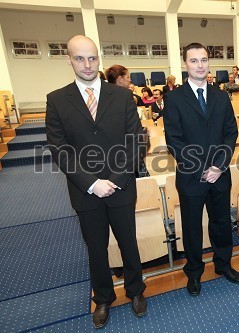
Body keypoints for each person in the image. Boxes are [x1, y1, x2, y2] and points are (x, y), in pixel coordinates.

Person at [45, 35, 146, 329]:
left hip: (121, 185)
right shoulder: (57, 99)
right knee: (95, 247)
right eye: (80, 58)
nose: (87, 65)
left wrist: (114, 179)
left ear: (98, 58)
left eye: (92, 58)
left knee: (128, 242)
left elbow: (136, 141)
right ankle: (103, 298)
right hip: (85, 191)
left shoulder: (122, 96)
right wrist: (92, 183)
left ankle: (136, 291)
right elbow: (59, 149)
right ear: (69, 61)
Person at [164, 42, 239, 296]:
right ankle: (194, 273)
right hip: (191, 176)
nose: (200, 65)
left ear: (209, 63)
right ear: (185, 64)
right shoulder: (174, 98)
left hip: (220, 175)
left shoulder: (221, 96)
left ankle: (223, 264)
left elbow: (231, 133)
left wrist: (218, 166)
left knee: (221, 222)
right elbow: (174, 140)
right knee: (192, 227)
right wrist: (201, 169)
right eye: (194, 61)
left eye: (204, 60)